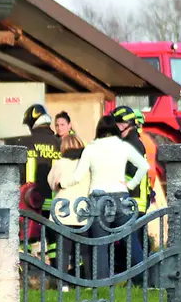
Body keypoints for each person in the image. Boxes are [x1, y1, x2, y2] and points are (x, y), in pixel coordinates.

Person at [61, 115, 149, 280]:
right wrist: (131, 185)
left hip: (98, 199)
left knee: (100, 245)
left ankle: (102, 283)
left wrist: (63, 183)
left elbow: (78, 176)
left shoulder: (91, 148)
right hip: (121, 197)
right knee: (131, 242)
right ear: (115, 129)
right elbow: (144, 166)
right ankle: (143, 279)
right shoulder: (124, 147)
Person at [5, 104, 62, 215]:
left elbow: (16, 172)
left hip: (30, 201)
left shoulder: (23, 142)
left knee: (31, 232)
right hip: (55, 203)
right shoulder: (59, 143)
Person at [47, 134, 90, 277]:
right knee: (85, 250)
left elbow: (52, 183)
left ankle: (63, 283)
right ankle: (89, 281)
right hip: (82, 211)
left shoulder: (60, 163)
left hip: (63, 213)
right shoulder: (87, 163)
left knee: (63, 250)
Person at [111, 106, 150, 214]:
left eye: (115, 124)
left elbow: (136, 170)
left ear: (124, 124)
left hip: (134, 202)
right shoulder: (131, 141)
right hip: (132, 201)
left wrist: (128, 184)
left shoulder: (132, 144)